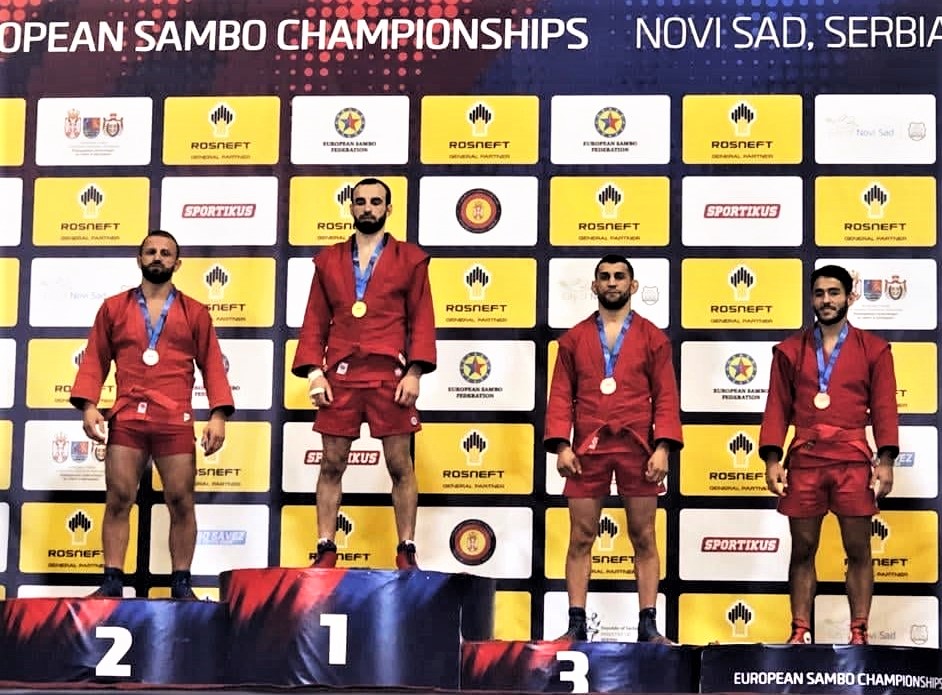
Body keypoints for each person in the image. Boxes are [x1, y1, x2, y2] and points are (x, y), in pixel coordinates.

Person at [71, 230, 234, 599]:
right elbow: (95, 358)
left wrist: (218, 414)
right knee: (118, 498)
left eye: (165, 253)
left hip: (174, 419)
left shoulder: (196, 312)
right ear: (139, 259)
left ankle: (181, 583)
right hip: (127, 416)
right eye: (150, 252)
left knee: (181, 500)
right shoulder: (113, 308)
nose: (157, 257)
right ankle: (112, 581)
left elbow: (212, 365)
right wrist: (89, 405)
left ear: (177, 263)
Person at [291, 177, 436, 570]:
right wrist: (314, 373)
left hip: (390, 374)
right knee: (331, 462)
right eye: (360, 201)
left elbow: (422, 320)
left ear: (388, 209)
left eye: (375, 201)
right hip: (340, 374)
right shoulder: (328, 261)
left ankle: (406, 548)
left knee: (400, 464)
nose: (368, 208)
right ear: (351, 207)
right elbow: (314, 320)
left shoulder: (410, 259)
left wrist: (415, 372)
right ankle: (325, 547)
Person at [544, 254, 682, 644]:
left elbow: (666, 397)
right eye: (604, 277)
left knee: (644, 536)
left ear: (632, 286)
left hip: (638, 447)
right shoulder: (573, 340)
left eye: (620, 276)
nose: (612, 282)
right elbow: (561, 396)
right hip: (588, 448)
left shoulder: (653, 338)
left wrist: (663, 447)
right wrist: (561, 445)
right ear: (594, 286)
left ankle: (648, 625)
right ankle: (576, 624)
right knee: (581, 536)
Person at [759, 264, 898, 646]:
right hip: (805, 459)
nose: (826, 300)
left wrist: (885, 461)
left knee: (858, 549)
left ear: (849, 296)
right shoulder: (789, 351)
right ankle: (799, 631)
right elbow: (776, 407)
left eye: (834, 292)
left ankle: (859, 633)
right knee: (803, 549)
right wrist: (772, 459)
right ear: (811, 298)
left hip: (853, 460)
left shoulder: (875, 349)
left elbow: (885, 408)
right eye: (819, 293)